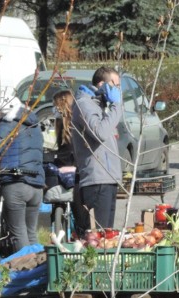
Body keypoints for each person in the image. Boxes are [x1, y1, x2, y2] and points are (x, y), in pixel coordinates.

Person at [70, 66, 123, 235]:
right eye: (115, 85)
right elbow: (99, 132)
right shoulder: (85, 104)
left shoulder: (99, 105)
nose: (118, 90)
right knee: (99, 237)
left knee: (108, 234)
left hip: (108, 177)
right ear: (101, 85)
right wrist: (116, 106)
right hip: (97, 179)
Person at [0, 96, 45, 253]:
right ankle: (39, 270)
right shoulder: (34, 124)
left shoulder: (7, 123)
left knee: (18, 233)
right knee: (31, 233)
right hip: (36, 184)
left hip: (16, 182)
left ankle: (26, 272)